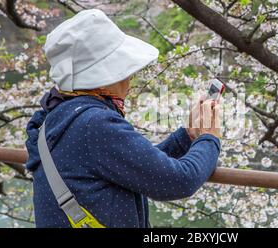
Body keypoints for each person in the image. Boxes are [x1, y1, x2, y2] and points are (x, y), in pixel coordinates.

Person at [25, 9, 221, 227]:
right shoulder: (95, 124)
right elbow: (178, 181)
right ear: (104, 78)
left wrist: (186, 136)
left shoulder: (57, 116)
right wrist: (209, 137)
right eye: (125, 71)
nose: (130, 79)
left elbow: (138, 166)